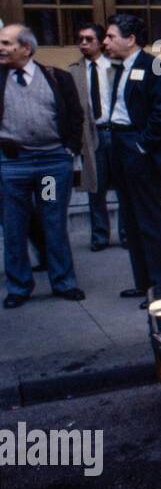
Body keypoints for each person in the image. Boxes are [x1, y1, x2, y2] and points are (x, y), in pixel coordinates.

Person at [0, 24, 87, 309]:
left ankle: (63, 282)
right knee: (14, 226)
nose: (0, 48)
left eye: (6, 43)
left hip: (51, 166)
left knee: (52, 221)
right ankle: (19, 286)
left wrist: (70, 149)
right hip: (14, 166)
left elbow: (76, 116)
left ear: (26, 48)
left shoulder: (56, 78)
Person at [103, 14, 161, 308]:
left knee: (151, 220)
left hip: (140, 150)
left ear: (130, 39)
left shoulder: (153, 66)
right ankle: (144, 283)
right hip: (119, 146)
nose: (105, 42)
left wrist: (141, 145)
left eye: (111, 36)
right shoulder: (120, 68)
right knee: (131, 219)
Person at [71, 23, 128, 251]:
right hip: (91, 135)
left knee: (125, 187)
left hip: (115, 132)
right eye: (80, 39)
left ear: (100, 41)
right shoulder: (74, 71)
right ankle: (100, 236)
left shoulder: (116, 67)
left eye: (88, 39)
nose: (83, 43)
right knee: (95, 189)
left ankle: (126, 234)